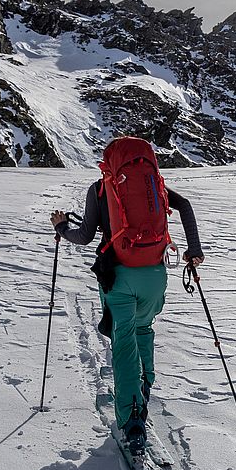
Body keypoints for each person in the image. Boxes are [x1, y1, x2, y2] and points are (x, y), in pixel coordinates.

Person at [50, 137, 203, 453]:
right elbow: (185, 206)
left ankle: (132, 419)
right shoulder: (153, 185)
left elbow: (84, 236)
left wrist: (62, 227)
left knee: (123, 343)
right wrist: (195, 250)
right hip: (155, 275)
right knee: (143, 329)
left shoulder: (101, 189)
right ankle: (143, 388)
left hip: (119, 275)